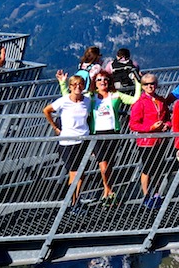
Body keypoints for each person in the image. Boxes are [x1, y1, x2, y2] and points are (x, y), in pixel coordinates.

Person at [89, 70, 140, 202]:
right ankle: (108, 190)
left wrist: (137, 83)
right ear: (95, 82)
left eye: (105, 79)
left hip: (113, 133)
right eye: (99, 80)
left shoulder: (115, 95)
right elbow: (73, 98)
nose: (102, 82)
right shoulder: (90, 97)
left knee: (110, 164)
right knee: (103, 165)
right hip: (97, 134)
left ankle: (108, 191)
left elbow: (135, 100)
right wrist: (63, 84)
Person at [43, 72, 92, 206]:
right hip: (68, 142)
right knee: (74, 173)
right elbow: (46, 110)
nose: (78, 87)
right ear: (70, 86)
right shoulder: (64, 101)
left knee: (81, 173)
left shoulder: (87, 100)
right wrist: (55, 127)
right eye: (74, 85)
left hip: (84, 140)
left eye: (80, 84)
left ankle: (76, 199)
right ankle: (73, 201)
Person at [128, 73, 170, 206]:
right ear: (142, 86)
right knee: (147, 168)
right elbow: (133, 124)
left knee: (158, 167)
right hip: (146, 142)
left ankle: (157, 193)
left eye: (152, 83)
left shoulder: (161, 100)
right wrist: (150, 128)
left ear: (156, 85)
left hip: (160, 140)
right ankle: (146, 195)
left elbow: (168, 118)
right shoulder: (139, 103)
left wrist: (166, 126)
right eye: (146, 84)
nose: (149, 86)